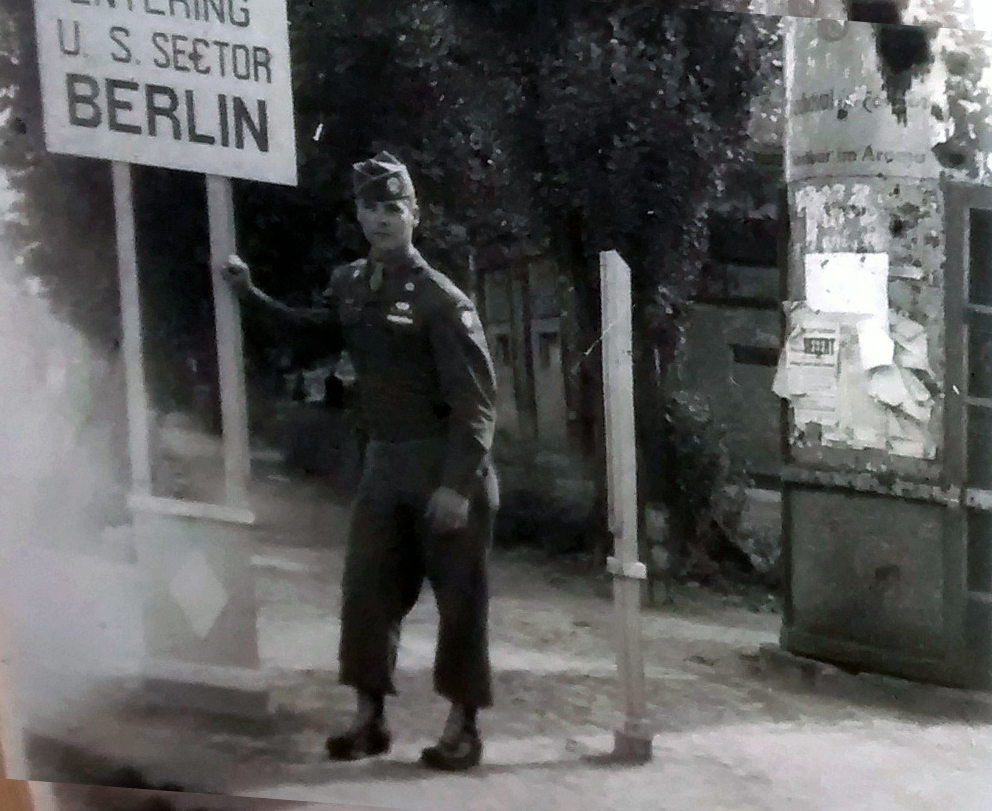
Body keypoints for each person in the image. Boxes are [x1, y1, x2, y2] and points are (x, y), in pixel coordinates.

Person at [221, 151, 499, 772]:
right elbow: (314, 331)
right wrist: (250, 295)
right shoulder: (349, 284)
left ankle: (462, 729)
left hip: (446, 468)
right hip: (385, 466)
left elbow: (477, 403)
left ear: (414, 214)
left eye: (394, 207)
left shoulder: (440, 300)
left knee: (460, 604)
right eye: (372, 207)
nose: (382, 218)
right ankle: (369, 720)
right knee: (366, 596)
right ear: (359, 213)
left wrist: (459, 484)